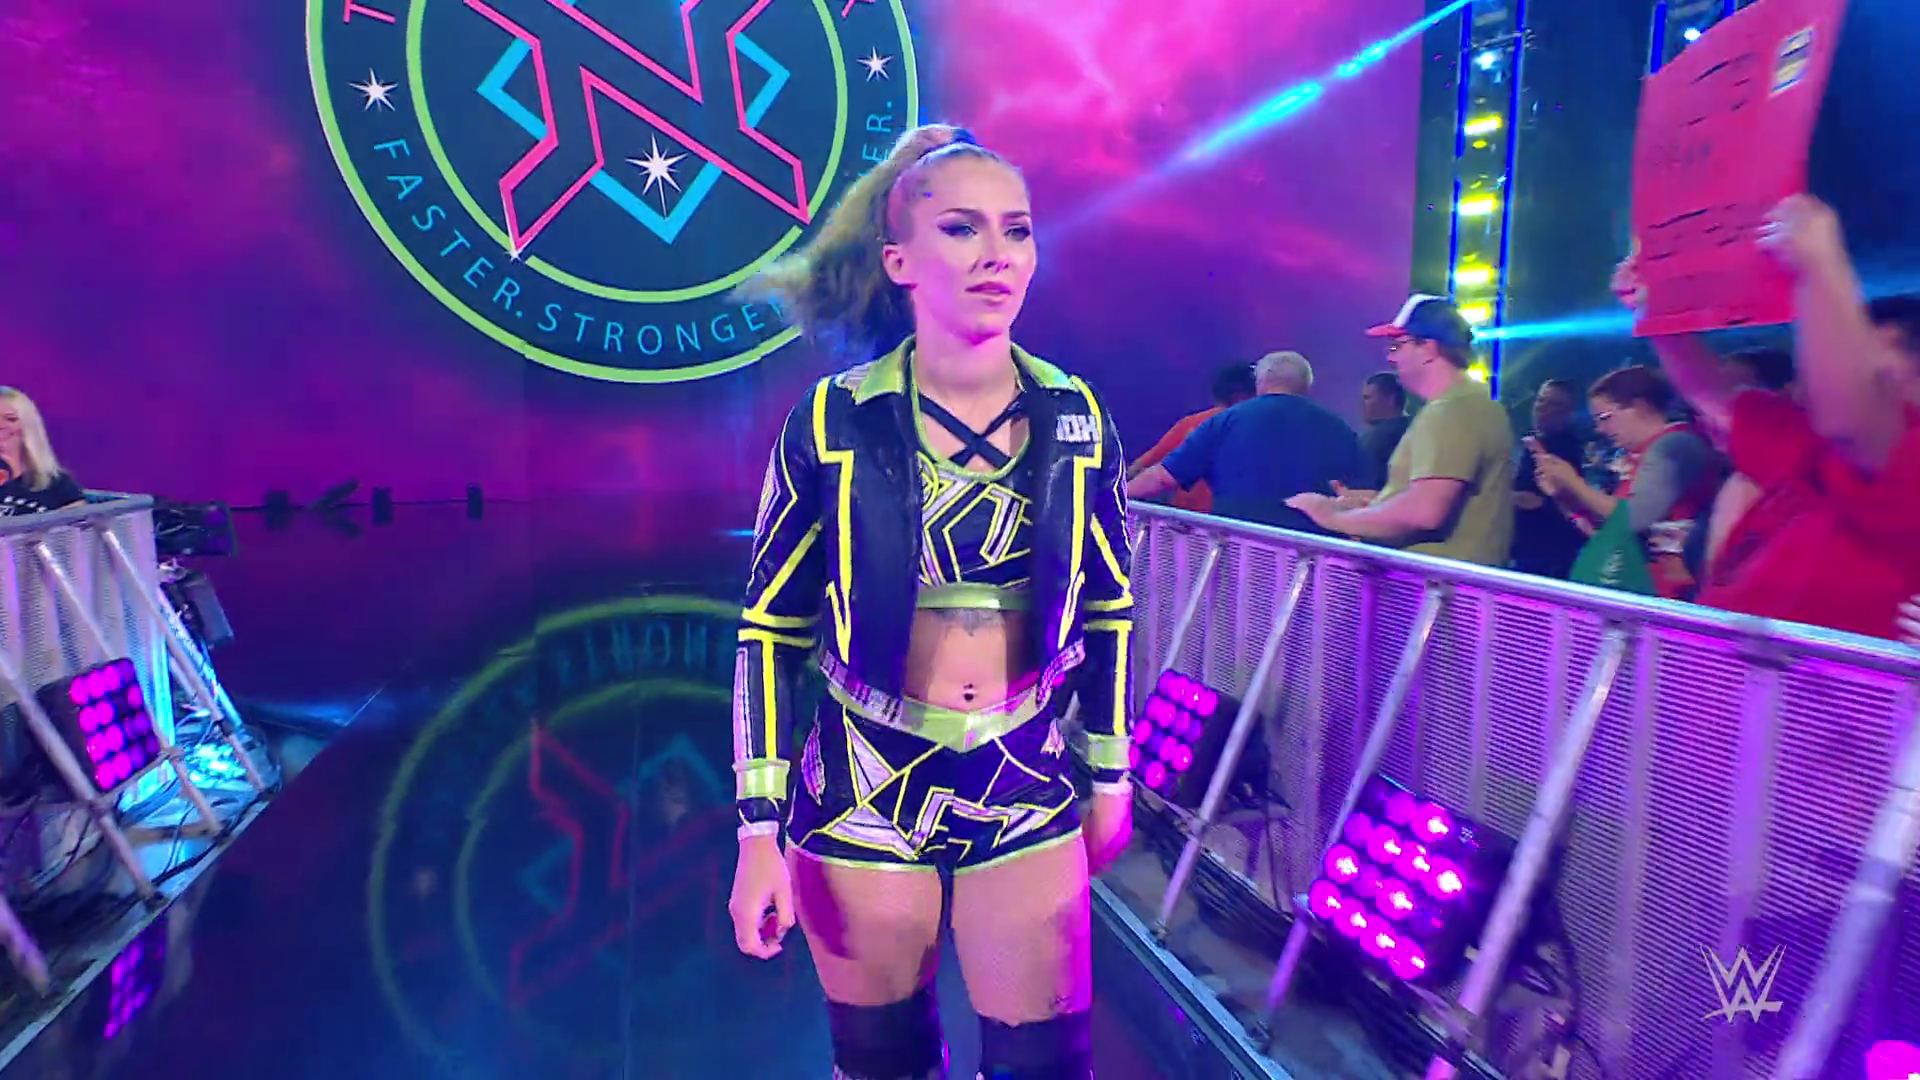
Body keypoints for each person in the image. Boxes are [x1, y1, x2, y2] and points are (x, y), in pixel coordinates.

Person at [726, 124, 1132, 1080]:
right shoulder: (831, 420)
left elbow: (1110, 606)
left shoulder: (1077, 417)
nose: (997, 254)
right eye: (961, 228)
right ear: (899, 259)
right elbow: (769, 630)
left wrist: (1111, 773)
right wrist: (756, 828)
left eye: (1017, 229)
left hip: (1022, 776)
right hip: (862, 780)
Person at [1613, 194, 1920, 639]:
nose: (1824, 365)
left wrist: (1819, 265)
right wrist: (1657, 307)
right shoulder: (1806, 441)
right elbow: (1711, 395)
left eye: (1867, 357)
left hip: (1815, 685)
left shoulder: (1906, 457)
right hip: (1716, 674)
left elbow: (1849, 420)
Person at [1286, 296, 1514, 565]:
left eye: (1397, 345)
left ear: (1428, 348)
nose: (1391, 358)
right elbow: (1441, 499)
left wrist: (1331, 517)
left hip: (1436, 585)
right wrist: (1378, 503)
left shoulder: (1451, 410)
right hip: (1450, 582)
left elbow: (1424, 512)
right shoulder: (1477, 404)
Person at [1528, 365, 1721, 599]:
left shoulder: (1675, 445)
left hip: (1670, 595)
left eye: (1606, 418)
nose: (1600, 429)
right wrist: (1564, 494)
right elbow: (1606, 532)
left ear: (1640, 407)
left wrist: (1573, 483)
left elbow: (1632, 519)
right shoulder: (1637, 455)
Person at [1127, 351, 1365, 532]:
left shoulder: (1224, 421)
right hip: (1311, 556)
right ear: (1307, 384)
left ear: (1260, 380)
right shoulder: (1338, 427)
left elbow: (1162, 477)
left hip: (1238, 550)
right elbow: (1364, 493)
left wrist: (1117, 497)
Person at [1124, 362, 1256, 513]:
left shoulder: (1192, 424)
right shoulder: (1255, 428)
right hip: (1228, 522)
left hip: (1186, 520)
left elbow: (1140, 467)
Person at [1508, 379, 1589, 579]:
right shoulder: (1532, 441)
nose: (1543, 408)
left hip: (1548, 555)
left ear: (1568, 413)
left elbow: (1537, 500)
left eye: (1554, 404)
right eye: (1541, 400)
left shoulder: (1563, 450)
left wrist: (1495, 492)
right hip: (1526, 550)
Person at [0, 387, 84, 517]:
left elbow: (78, 526)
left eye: (11, 419)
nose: (1, 425)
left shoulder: (58, 484)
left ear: (28, 427)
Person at [1358, 371, 1412, 489]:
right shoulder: (1418, 428)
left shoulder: (1375, 439)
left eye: (1368, 398)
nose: (1362, 404)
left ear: (1390, 399)